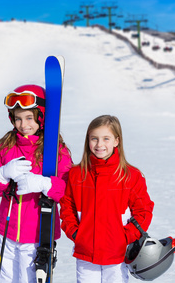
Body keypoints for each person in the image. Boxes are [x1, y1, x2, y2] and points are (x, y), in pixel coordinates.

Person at [0, 84, 72, 283]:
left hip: (36, 234)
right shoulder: (7, 146)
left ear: (41, 117)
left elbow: (68, 191)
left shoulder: (56, 150)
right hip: (6, 230)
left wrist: (44, 184)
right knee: (5, 278)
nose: (23, 124)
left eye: (29, 118)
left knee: (27, 279)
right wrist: (2, 174)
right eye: (18, 118)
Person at [60, 115, 154, 283]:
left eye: (106, 139)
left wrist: (125, 237)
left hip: (116, 255)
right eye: (94, 138)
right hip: (85, 252)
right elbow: (67, 207)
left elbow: (144, 210)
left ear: (116, 141)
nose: (99, 144)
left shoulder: (130, 176)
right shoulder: (76, 174)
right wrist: (75, 233)